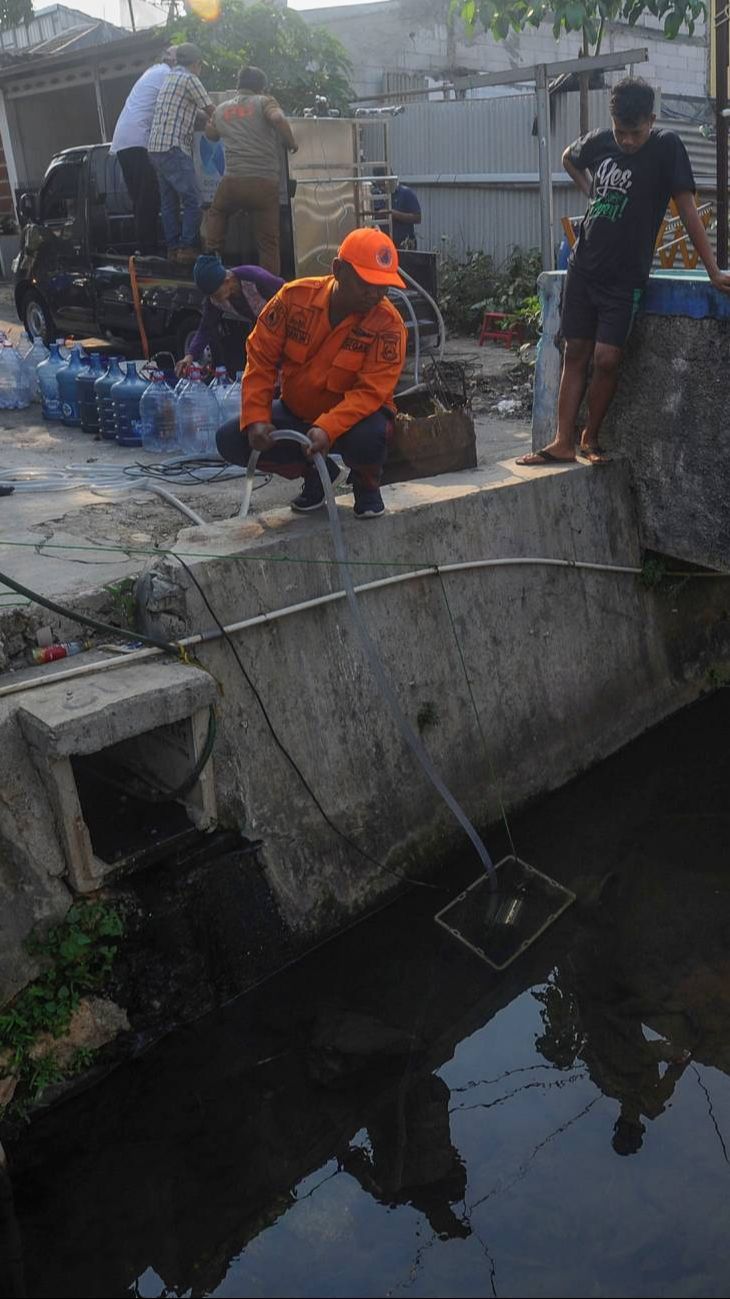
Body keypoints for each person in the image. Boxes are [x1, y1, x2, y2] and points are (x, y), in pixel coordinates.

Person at [518, 77, 730, 468]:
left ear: (652, 119)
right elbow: (569, 156)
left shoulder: (667, 148)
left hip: (625, 277)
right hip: (583, 266)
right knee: (575, 351)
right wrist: (591, 191)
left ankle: (589, 435)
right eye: (621, 132)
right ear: (611, 122)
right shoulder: (602, 141)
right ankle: (562, 441)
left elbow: (686, 210)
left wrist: (713, 269)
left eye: (635, 132)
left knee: (607, 358)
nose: (627, 141)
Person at [216, 227, 407, 520]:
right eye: (367, 284)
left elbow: (371, 392)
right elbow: (261, 356)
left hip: (352, 422)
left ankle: (366, 484)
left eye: (383, 287)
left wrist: (329, 428)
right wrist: (256, 417)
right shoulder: (294, 299)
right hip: (299, 414)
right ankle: (318, 475)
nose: (375, 295)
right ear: (339, 270)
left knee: (371, 436)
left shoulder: (388, 325)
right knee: (231, 438)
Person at [203, 66, 298, 275]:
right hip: (264, 185)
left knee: (217, 212)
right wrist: (291, 142)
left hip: (233, 183)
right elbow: (278, 119)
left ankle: (210, 259)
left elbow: (210, 134)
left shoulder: (221, 109)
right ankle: (270, 290)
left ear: (239, 85)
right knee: (268, 244)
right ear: (261, 87)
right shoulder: (264, 101)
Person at [147, 43, 214, 265]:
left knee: (169, 202)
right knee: (194, 199)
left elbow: (188, 111)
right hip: (173, 147)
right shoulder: (190, 79)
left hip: (156, 148)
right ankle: (187, 249)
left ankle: (173, 248)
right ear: (197, 64)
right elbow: (210, 110)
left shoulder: (169, 78)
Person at [110, 47, 176, 255]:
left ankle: (146, 249)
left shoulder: (152, 72)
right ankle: (149, 251)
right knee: (149, 197)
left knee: (141, 199)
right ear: (171, 60)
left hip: (124, 141)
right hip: (136, 139)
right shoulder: (167, 74)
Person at [176, 253, 283, 376]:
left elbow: (288, 295)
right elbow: (206, 328)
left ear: (227, 281)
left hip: (285, 324)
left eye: (216, 294)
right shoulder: (215, 300)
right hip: (264, 331)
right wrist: (190, 356)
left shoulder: (255, 277)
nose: (214, 299)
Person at [377, 176, 421, 250]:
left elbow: (417, 218)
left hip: (404, 244)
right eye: (379, 185)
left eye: (383, 185)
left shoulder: (406, 193)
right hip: (384, 245)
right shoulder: (377, 195)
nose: (382, 188)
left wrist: (393, 214)